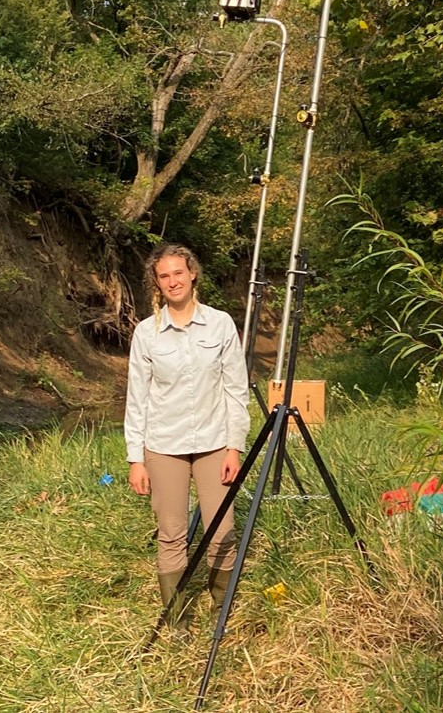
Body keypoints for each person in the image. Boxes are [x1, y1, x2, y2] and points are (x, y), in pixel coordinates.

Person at [123, 243, 250, 626]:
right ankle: (175, 619)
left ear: (192, 273)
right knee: (172, 532)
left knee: (221, 530)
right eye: (164, 276)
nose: (173, 281)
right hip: (164, 447)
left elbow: (235, 390)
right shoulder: (147, 334)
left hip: (214, 444)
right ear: (157, 284)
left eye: (178, 272)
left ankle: (219, 612)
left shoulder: (221, 324)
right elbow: (137, 399)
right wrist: (135, 460)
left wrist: (234, 447)